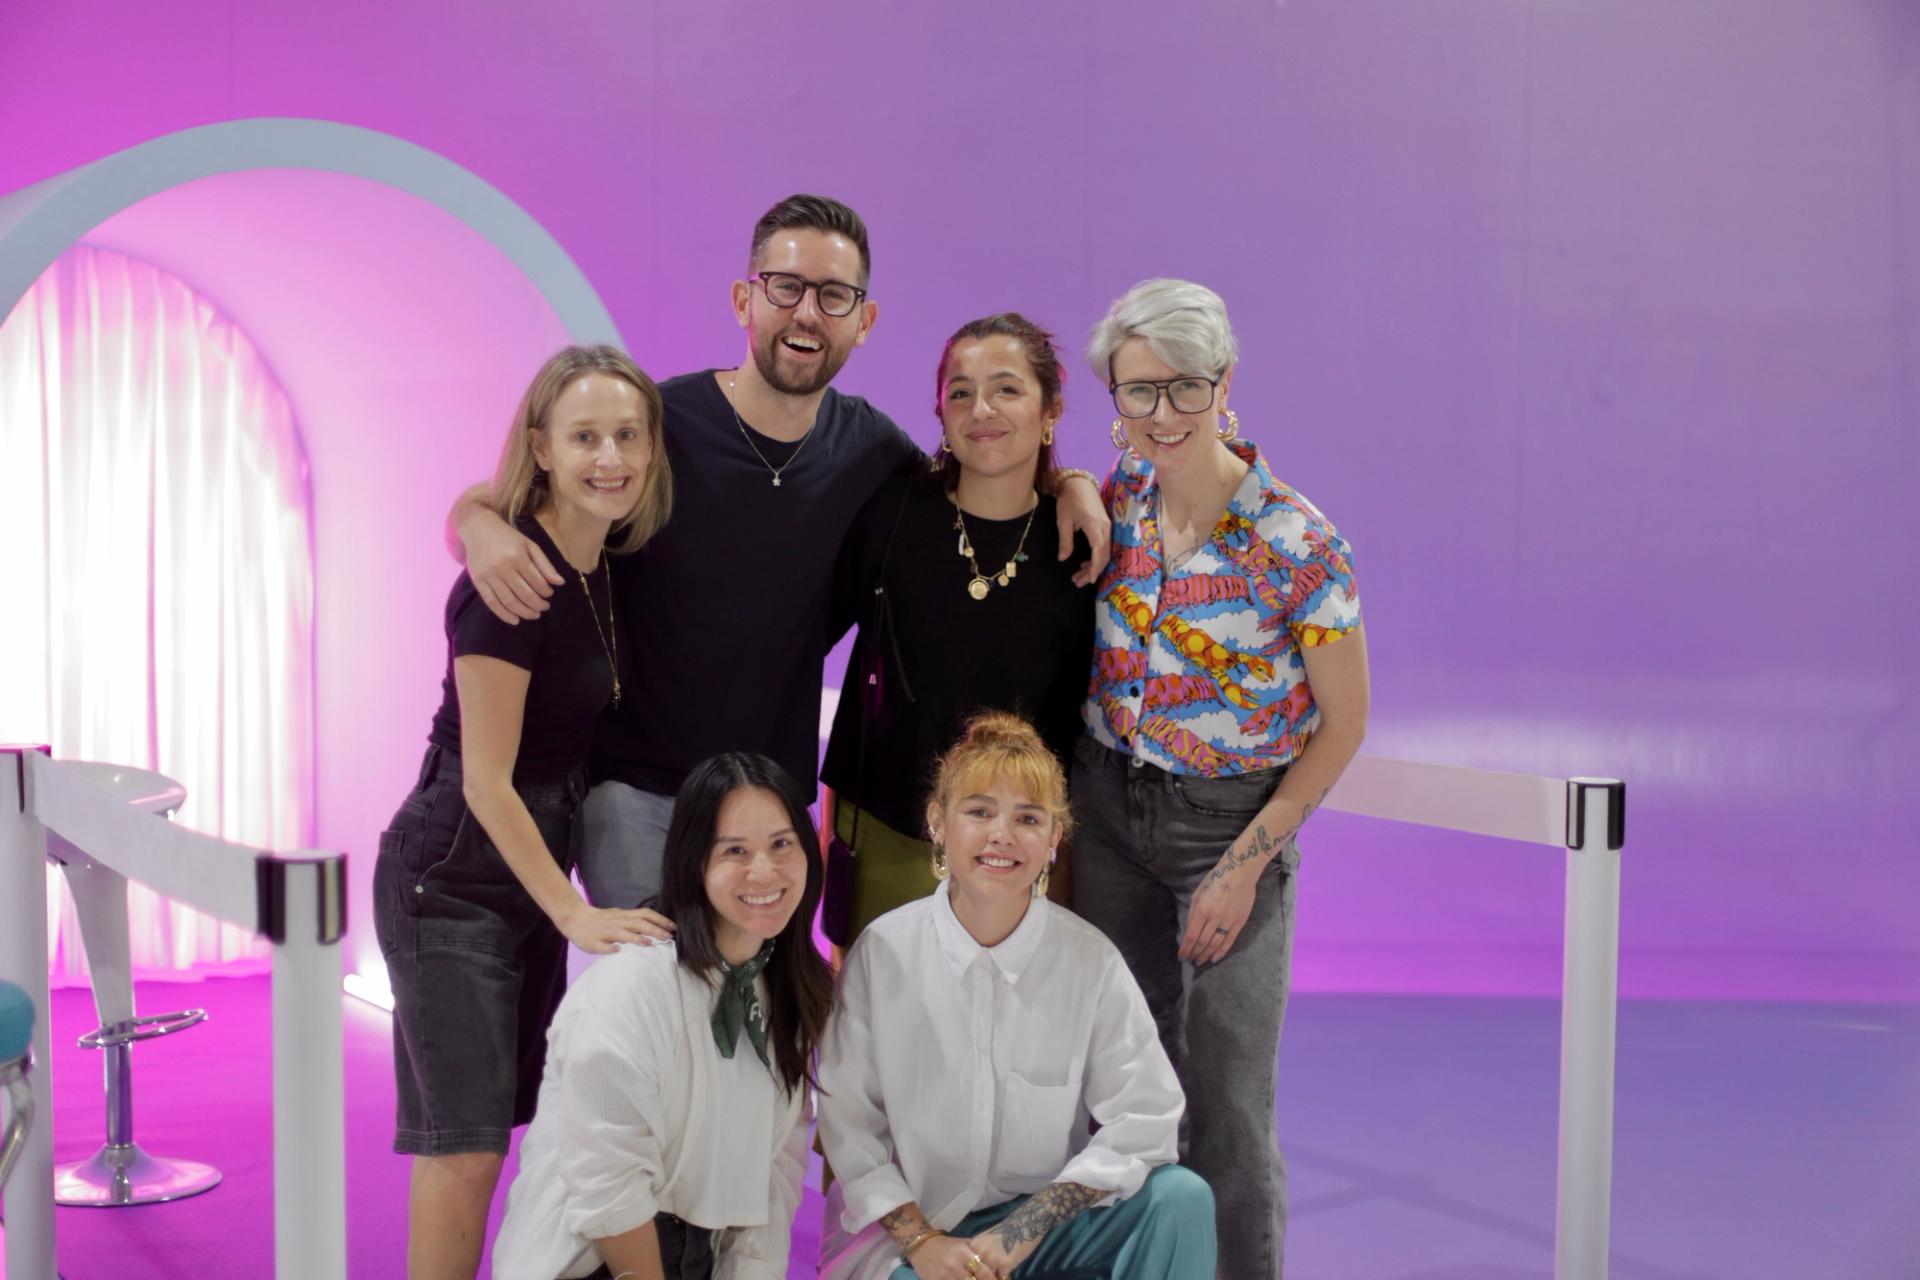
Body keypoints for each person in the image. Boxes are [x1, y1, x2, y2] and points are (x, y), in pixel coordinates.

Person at [448, 196, 1112, 913]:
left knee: (755, 992)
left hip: (771, 811)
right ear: (745, 300)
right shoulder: (658, 424)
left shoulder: (874, 452)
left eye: (834, 296)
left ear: (864, 321)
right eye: (786, 287)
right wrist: (475, 522)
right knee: (657, 983)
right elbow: (529, 493)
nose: (807, 313)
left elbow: (979, 476)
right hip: (638, 798)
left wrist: (1069, 482)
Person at [1070, 279, 1371, 1279]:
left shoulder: (1299, 542)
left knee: (1229, 1108)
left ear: (1225, 382)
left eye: (1185, 387)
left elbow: (1343, 723)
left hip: (1230, 827)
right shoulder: (1119, 496)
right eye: (1138, 390)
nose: (1162, 414)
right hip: (1107, 815)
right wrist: (1069, 482)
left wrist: (1245, 864)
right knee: (1123, 1082)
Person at [372, 346, 677, 1280]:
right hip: (454, 876)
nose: (610, 458)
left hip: (527, 867)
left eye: (627, 435)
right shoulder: (511, 585)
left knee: (505, 1128)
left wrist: (473, 517)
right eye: (584, 437)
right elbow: (485, 783)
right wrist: (575, 914)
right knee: (463, 1147)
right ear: (541, 448)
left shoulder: (603, 559)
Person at [817, 713, 1217, 1280]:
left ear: (1054, 838)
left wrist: (1019, 1234)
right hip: (909, 1236)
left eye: (1028, 818)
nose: (1002, 835)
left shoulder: (1090, 961)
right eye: (979, 812)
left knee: (1180, 1199)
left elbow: (1145, 1116)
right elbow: (850, 1128)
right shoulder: (882, 954)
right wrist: (925, 1244)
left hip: (1037, 1232)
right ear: (938, 822)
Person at [492, 752, 833, 1279]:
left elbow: (777, 1175)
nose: (764, 870)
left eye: (782, 844)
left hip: (702, 1255)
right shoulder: (633, 982)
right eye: (735, 850)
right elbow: (608, 1182)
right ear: (694, 862)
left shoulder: (789, 990)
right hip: (598, 1257)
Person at [818, 313, 1095, 947]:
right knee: (877, 1006)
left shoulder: (1080, 544)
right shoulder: (890, 514)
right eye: (961, 392)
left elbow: (1076, 725)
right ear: (940, 413)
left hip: (1019, 848)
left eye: (1007, 389)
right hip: (886, 834)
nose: (981, 409)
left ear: (1050, 411)